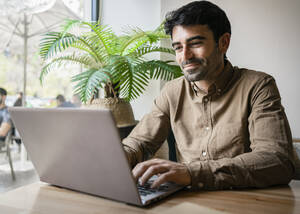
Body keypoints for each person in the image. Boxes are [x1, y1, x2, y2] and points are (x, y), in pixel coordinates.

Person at [122, 1, 295, 190]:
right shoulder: (172, 91)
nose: (185, 56)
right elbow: (138, 143)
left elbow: (276, 160)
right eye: (178, 47)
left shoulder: (258, 86)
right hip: (188, 202)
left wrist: (192, 173)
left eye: (195, 43)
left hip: (246, 201)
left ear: (224, 42)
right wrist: (116, 158)